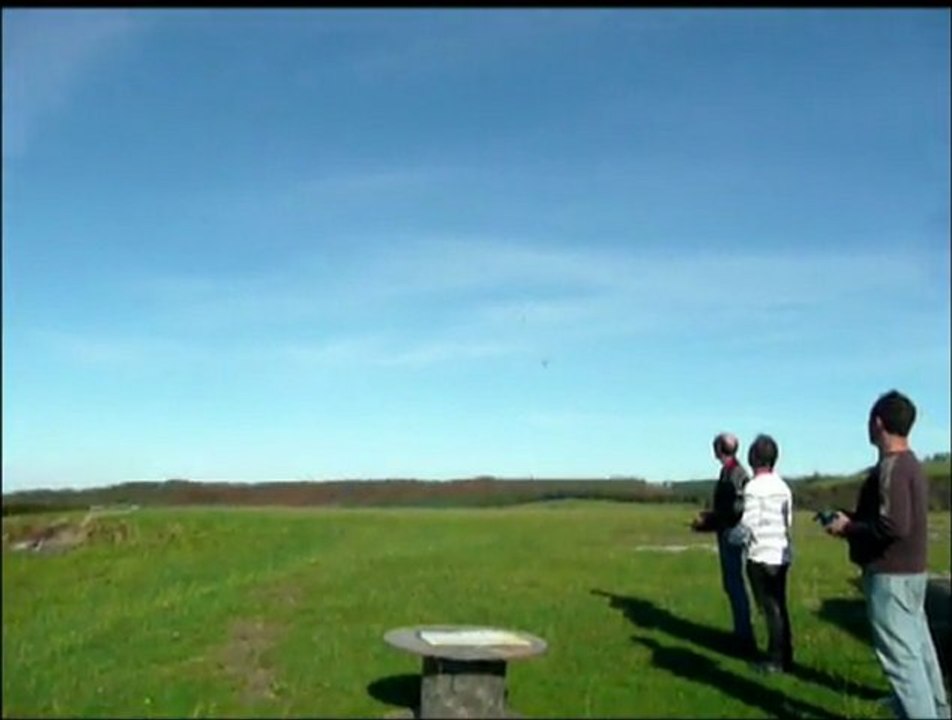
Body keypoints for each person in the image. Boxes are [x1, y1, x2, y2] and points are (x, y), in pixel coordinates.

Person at [825, 390, 949, 719]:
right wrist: (852, 520)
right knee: (919, 653)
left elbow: (894, 524)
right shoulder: (911, 464)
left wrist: (848, 529)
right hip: (911, 573)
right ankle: (938, 710)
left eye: (869, 421)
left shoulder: (892, 466)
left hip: (891, 577)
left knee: (902, 663)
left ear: (878, 423)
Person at [728, 434, 794, 674]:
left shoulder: (753, 487)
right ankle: (786, 654)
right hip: (782, 554)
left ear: (753, 458)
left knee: (770, 608)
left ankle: (775, 660)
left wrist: (730, 536)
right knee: (780, 606)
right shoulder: (784, 487)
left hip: (760, 554)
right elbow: (787, 521)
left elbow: (749, 524)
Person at [691, 432, 756, 656]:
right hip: (728, 530)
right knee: (732, 584)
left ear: (720, 448)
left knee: (735, 584)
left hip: (732, 533)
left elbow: (736, 508)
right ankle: (741, 632)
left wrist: (713, 520)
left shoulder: (735, 473)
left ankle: (744, 637)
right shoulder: (730, 471)